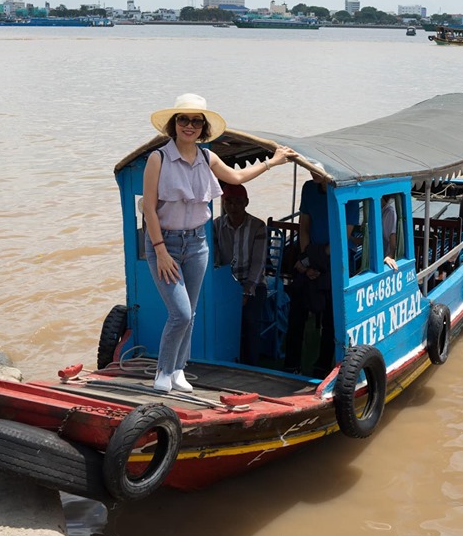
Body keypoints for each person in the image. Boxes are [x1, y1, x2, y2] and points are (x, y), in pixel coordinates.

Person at [142, 93, 297, 393]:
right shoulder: (157, 158)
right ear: (174, 124)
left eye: (196, 121)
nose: (189, 125)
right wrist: (160, 250)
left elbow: (237, 178)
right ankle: (163, 371)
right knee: (181, 313)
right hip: (166, 245)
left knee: (193, 311)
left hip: (198, 243)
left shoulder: (206, 157)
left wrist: (273, 162)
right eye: (183, 119)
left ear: (203, 127)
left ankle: (178, 370)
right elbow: (149, 208)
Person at [283, 166, 359, 377]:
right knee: (296, 313)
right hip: (309, 258)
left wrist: (313, 261)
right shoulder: (309, 188)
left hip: (336, 261)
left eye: (316, 166)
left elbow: (342, 238)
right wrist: (306, 261)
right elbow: (304, 227)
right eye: (308, 166)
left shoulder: (348, 192)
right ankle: (291, 364)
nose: (311, 170)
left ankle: (322, 366)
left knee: (331, 319)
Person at [213, 183, 269, 365]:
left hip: (253, 284)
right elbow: (213, 256)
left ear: (246, 203)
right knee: (219, 321)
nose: (233, 207)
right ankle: (226, 361)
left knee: (250, 322)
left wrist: (246, 290)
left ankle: (251, 366)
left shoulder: (258, 226)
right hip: (225, 283)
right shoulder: (216, 226)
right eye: (228, 202)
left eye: (238, 202)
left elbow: (259, 262)